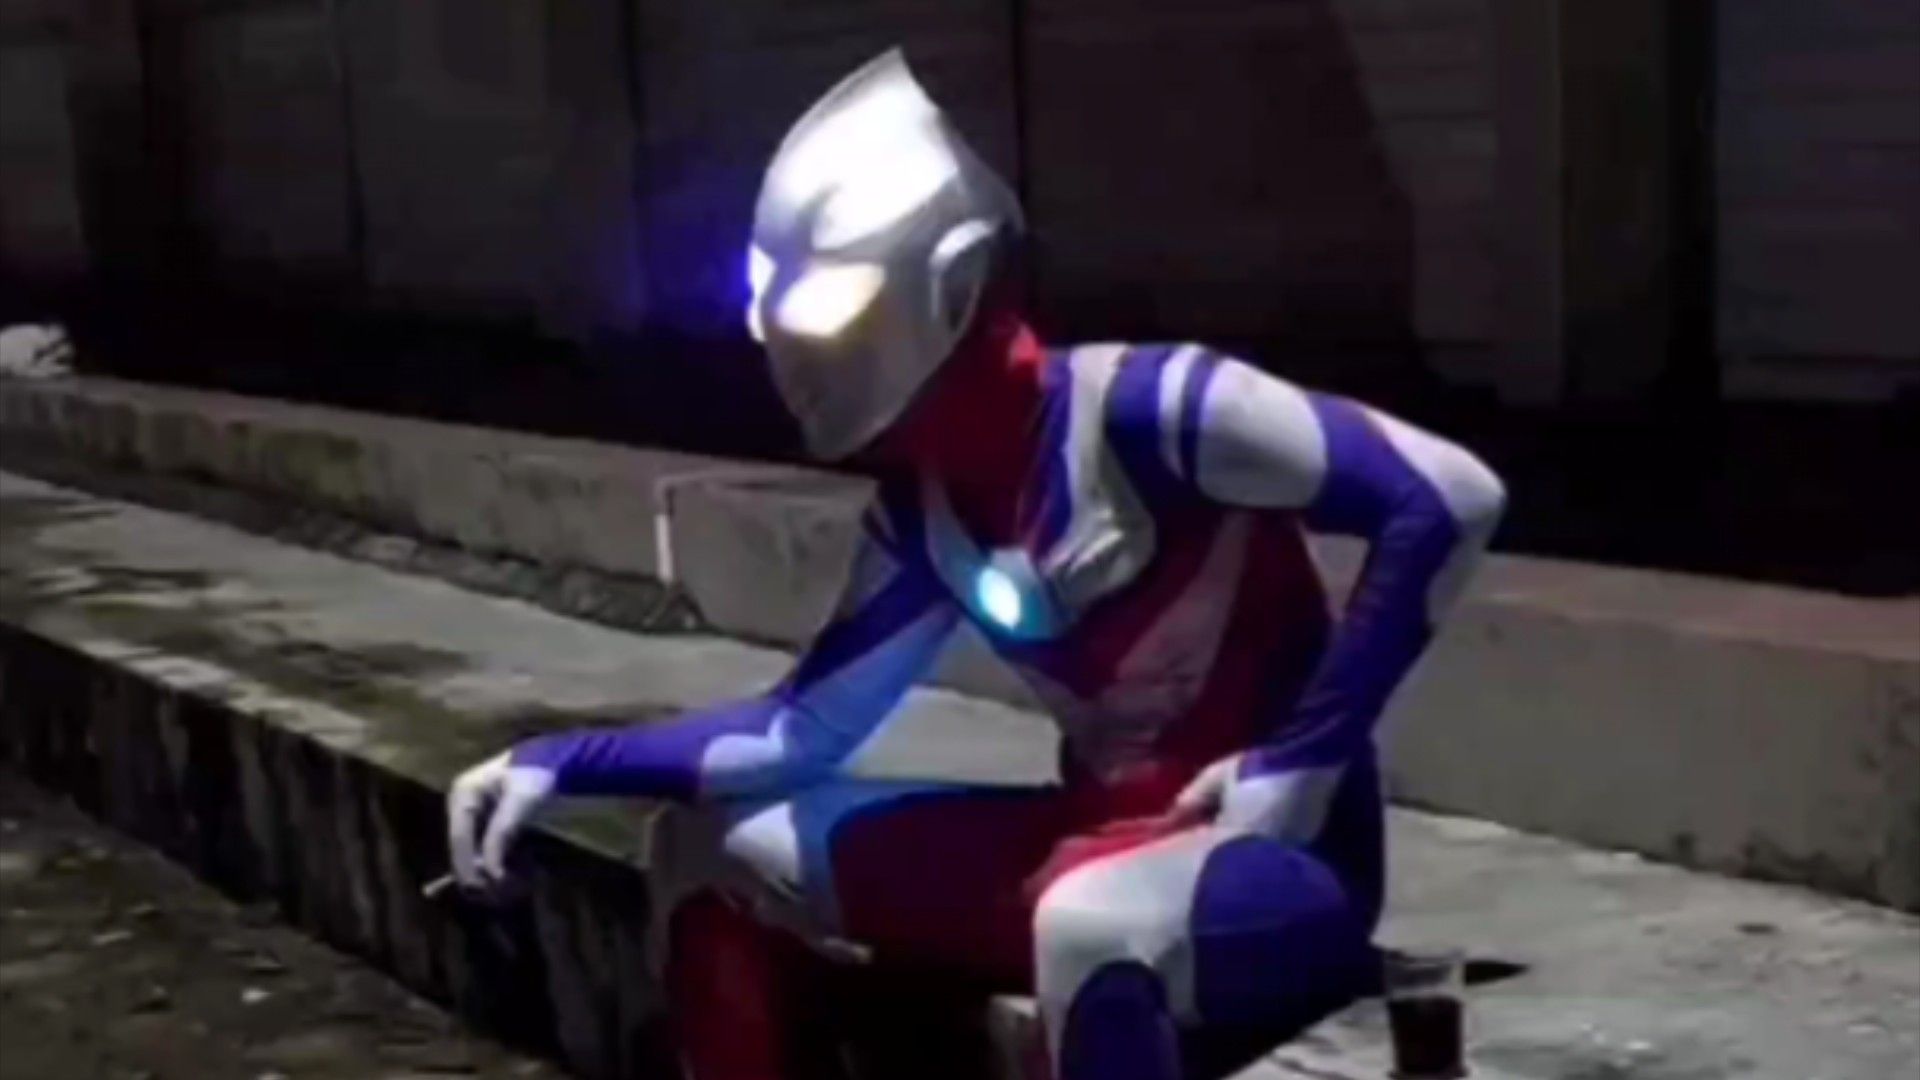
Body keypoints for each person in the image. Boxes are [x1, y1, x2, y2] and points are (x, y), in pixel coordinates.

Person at [445, 50, 1504, 1080]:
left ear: (946, 283)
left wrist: (1302, 761)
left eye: (828, 310)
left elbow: (1448, 496)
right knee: (703, 847)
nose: (800, 355)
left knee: (1092, 930)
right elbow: (796, 732)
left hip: (1272, 866)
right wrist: (560, 762)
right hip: (1089, 841)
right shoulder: (926, 509)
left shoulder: (1158, 410)